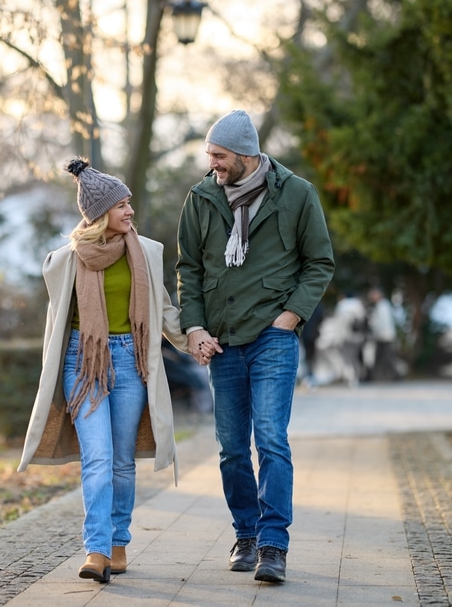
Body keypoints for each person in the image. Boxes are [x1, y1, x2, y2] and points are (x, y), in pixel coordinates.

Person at [18, 158, 201, 583]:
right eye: (122, 205)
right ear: (101, 213)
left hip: (130, 360)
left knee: (121, 462)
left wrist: (193, 339)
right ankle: (96, 550)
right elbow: (58, 319)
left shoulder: (148, 253)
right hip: (84, 362)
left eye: (129, 203)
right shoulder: (64, 261)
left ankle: (119, 544)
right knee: (97, 459)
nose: (130, 211)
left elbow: (164, 310)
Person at [176, 109, 335, 583]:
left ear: (247, 155)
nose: (213, 165)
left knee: (270, 440)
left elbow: (319, 262)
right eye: (209, 155)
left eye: (220, 156)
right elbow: (189, 269)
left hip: (272, 339)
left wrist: (290, 318)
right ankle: (245, 534)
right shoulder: (201, 198)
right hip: (222, 343)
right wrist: (195, 329)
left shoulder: (297, 194)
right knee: (230, 448)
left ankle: (272, 545)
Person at [366, 286, 399, 382]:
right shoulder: (381, 305)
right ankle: (371, 377)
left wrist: (375, 332)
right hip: (382, 336)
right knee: (379, 357)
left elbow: (382, 323)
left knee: (388, 357)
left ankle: (396, 376)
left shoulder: (382, 305)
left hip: (385, 336)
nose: (372, 296)